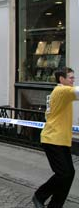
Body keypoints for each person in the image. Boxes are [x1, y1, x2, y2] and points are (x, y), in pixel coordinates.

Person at [32, 67, 79, 208]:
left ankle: (56, 205)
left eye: (73, 77)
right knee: (63, 174)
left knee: (69, 173)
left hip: (60, 139)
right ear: (61, 79)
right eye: (70, 77)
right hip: (52, 139)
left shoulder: (62, 92)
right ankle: (39, 195)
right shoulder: (61, 90)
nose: (73, 80)